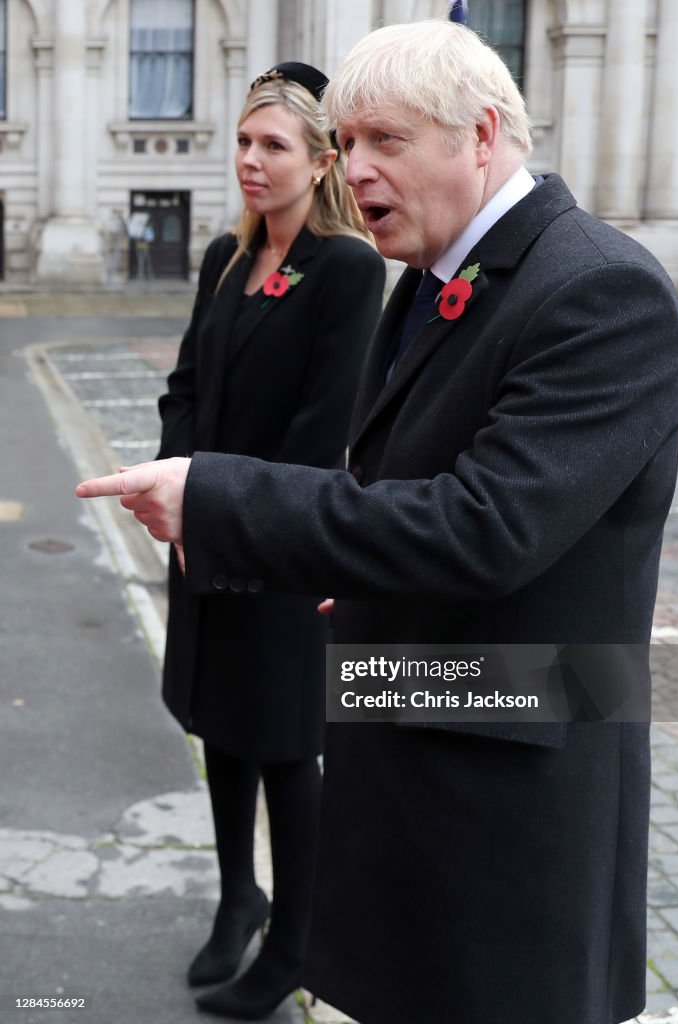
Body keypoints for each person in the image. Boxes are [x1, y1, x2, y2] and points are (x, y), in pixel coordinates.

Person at [77, 20, 678, 1024]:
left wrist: (221, 496)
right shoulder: (443, 275)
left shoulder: (598, 288)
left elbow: (485, 525)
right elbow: (401, 483)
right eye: (346, 142)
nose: (352, 169)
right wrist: (360, 573)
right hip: (416, 728)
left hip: (512, 781)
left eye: (383, 142)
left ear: (483, 134)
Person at [154, 62, 384, 1020]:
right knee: (221, 729)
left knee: (287, 750)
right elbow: (184, 392)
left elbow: (318, 433)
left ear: (323, 159)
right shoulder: (224, 256)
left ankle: (294, 939)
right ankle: (236, 897)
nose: (250, 161)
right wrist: (170, 492)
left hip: (279, 553)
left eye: (273, 146)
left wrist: (219, 516)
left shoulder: (346, 267)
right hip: (201, 540)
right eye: (243, 142)